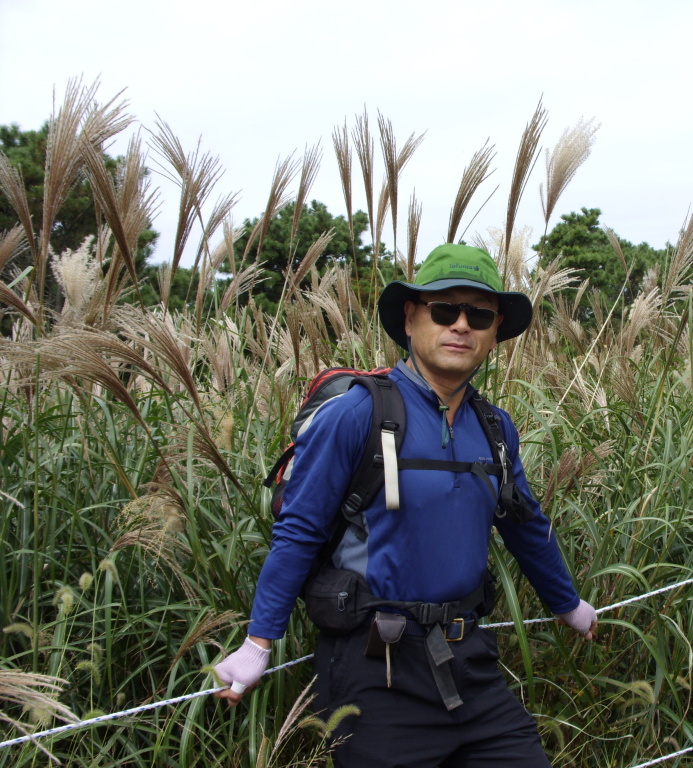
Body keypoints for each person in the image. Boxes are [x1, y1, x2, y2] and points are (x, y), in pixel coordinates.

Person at [213, 243, 597, 767]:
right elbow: (299, 532)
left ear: (494, 330)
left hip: (469, 661)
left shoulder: (494, 427)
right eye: (445, 310)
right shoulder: (356, 415)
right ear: (411, 318)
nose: (461, 325)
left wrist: (569, 606)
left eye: (479, 315)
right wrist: (258, 645)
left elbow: (525, 524)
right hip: (376, 670)